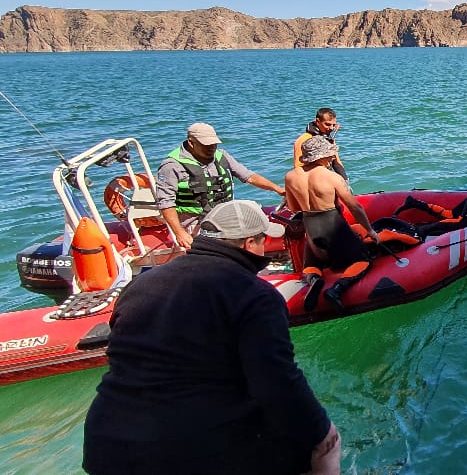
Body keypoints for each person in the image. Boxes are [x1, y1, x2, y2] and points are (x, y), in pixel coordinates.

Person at [83, 200, 341, 475]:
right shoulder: (254, 295)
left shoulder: (139, 285)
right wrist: (322, 433)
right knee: (320, 445)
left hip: (105, 442)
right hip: (184, 450)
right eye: (263, 241)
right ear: (249, 244)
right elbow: (276, 382)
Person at [284, 135, 380, 309]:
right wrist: (370, 231)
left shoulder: (290, 177)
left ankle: (313, 279)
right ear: (322, 156)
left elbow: (292, 207)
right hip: (334, 228)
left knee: (312, 263)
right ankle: (337, 289)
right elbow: (355, 207)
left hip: (311, 229)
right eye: (330, 155)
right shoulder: (331, 177)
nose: (332, 158)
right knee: (363, 260)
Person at [156, 122, 286, 250]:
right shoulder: (171, 166)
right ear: (191, 143)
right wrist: (180, 233)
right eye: (206, 145)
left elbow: (249, 176)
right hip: (196, 224)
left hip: (225, 218)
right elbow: (166, 202)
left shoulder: (221, 156)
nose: (211, 148)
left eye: (214, 144)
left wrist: (277, 189)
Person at [293, 107, 347, 181]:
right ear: (317, 121)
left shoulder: (329, 139)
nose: (331, 128)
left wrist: (345, 181)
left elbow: (336, 162)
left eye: (333, 125)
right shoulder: (303, 140)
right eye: (327, 124)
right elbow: (299, 168)